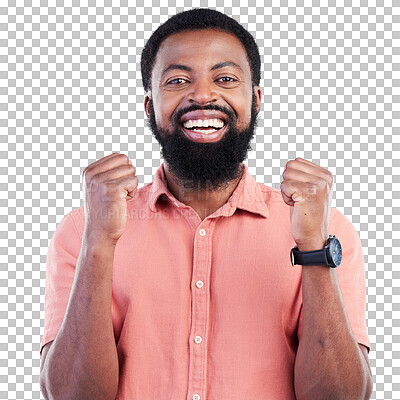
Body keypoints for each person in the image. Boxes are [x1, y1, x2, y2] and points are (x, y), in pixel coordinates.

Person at [39, 8, 372, 400]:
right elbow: (70, 396)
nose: (202, 95)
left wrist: (314, 248)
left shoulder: (324, 228)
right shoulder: (83, 229)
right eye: (178, 80)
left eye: (225, 78)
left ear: (256, 99)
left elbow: (342, 397)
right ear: (150, 106)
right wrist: (98, 241)